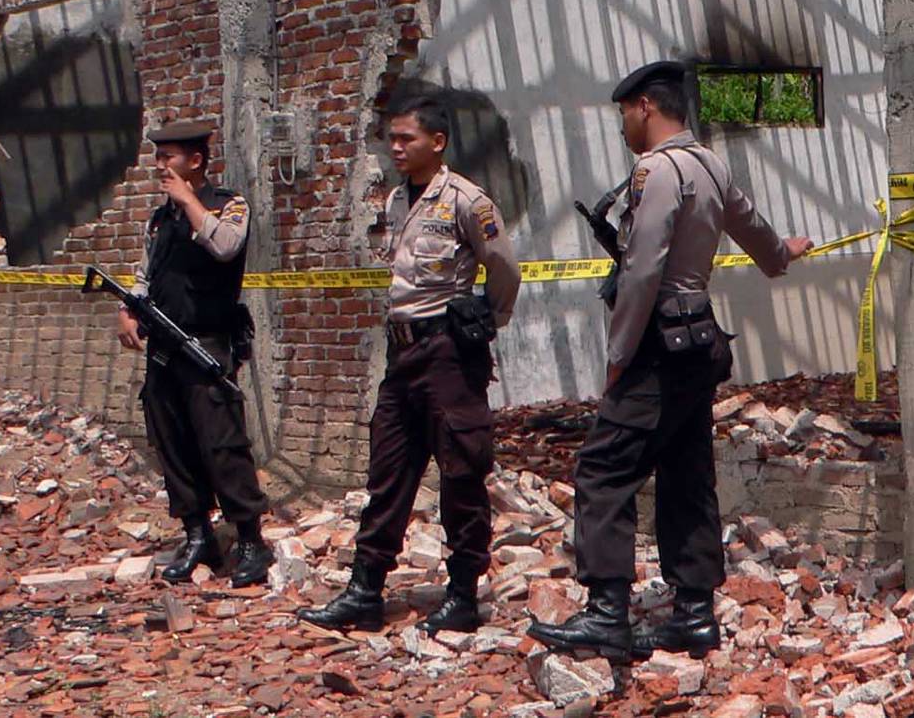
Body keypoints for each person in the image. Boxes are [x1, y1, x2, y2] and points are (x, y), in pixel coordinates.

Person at [528, 60, 811, 660]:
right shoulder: (711, 164)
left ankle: (607, 613)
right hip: (699, 341)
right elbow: (760, 240)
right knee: (686, 475)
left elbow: (642, 269)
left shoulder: (656, 170)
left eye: (624, 114)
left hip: (659, 342)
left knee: (603, 469)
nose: (623, 126)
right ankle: (694, 614)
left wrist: (617, 353)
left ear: (645, 108)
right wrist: (787, 251)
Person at [300, 94, 522, 635]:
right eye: (392, 139)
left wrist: (483, 324)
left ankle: (464, 595)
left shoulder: (468, 201)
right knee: (388, 470)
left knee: (461, 472)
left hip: (447, 353)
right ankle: (364, 590)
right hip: (402, 353)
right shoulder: (400, 199)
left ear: (437, 142)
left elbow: (505, 269)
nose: (395, 148)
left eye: (407, 139)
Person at [116, 119, 271, 587]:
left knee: (221, 444)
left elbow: (226, 247)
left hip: (206, 343)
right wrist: (128, 309)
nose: (160, 165)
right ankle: (197, 533)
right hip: (163, 348)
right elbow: (147, 271)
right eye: (158, 157)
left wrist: (189, 200)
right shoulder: (161, 218)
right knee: (173, 442)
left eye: (170, 157)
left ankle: (250, 541)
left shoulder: (228, 206)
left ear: (196, 161)